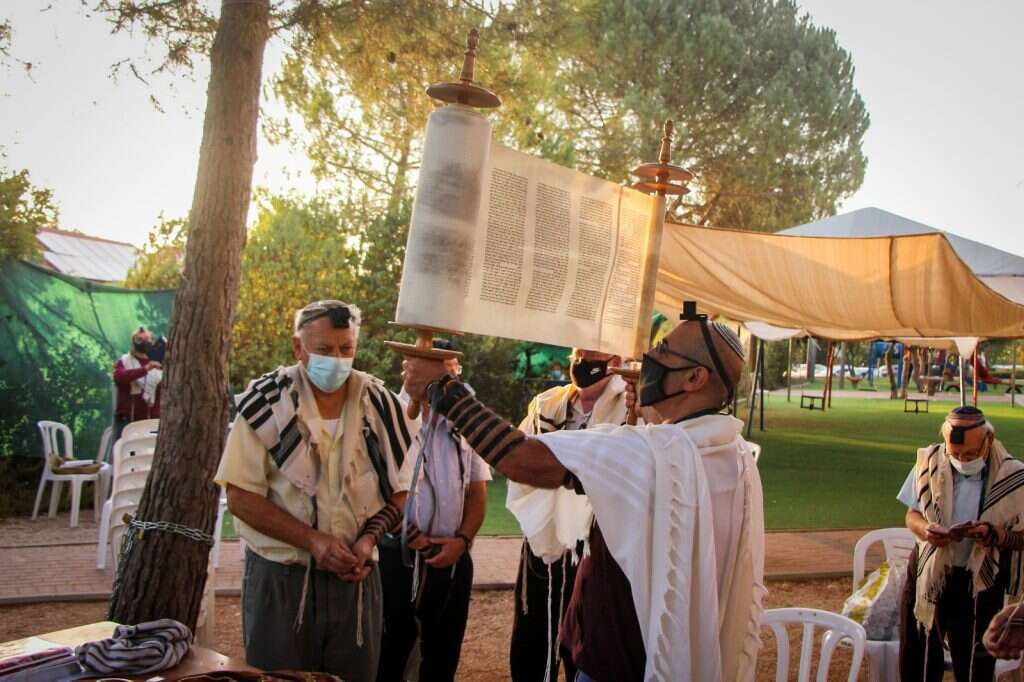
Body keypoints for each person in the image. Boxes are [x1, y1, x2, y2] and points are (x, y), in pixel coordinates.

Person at [402, 307, 766, 681]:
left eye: (664, 351)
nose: (648, 358)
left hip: (619, 664)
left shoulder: (654, 454)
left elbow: (522, 458)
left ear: (693, 376)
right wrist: (651, 411)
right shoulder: (730, 452)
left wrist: (445, 390)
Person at [215, 300, 420, 679]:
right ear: (298, 347)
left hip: (356, 579)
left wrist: (368, 541)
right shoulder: (267, 402)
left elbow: (401, 492)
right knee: (279, 678)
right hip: (282, 580)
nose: (337, 361)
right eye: (324, 350)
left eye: (346, 350)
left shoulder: (379, 404)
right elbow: (241, 497)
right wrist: (312, 541)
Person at [506, 348, 627, 682]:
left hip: (593, 548)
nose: (581, 356)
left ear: (614, 358)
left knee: (582, 639)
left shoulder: (628, 406)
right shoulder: (546, 403)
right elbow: (519, 459)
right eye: (578, 349)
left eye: (592, 350)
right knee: (531, 634)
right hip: (543, 539)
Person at [376, 339, 491, 682]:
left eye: (453, 372)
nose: (451, 383)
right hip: (398, 557)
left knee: (443, 656)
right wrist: (413, 537)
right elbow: (373, 493)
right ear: (413, 371)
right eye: (442, 374)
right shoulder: (387, 417)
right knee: (391, 657)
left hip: (453, 556)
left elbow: (477, 488)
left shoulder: (467, 421)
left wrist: (462, 540)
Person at [898, 406, 1024, 681]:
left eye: (970, 455)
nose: (961, 461)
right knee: (917, 656)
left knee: (974, 665)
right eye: (954, 455)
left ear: (988, 440)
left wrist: (995, 535)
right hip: (928, 574)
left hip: (978, 583)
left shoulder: (1013, 475)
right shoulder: (929, 461)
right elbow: (912, 514)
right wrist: (927, 530)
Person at [112, 327, 163, 440]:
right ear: (133, 342)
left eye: (147, 339)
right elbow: (119, 377)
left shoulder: (161, 364)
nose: (144, 342)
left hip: (154, 422)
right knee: (124, 455)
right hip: (128, 422)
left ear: (153, 342)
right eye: (139, 339)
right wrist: (146, 369)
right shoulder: (124, 361)